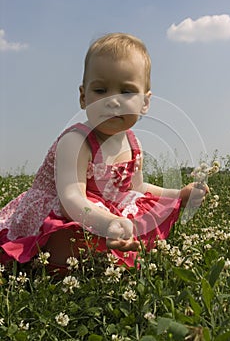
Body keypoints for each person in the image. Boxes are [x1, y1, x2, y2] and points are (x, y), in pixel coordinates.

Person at [0, 32, 208, 271]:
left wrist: (177, 194)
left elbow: (136, 188)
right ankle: (62, 263)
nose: (112, 101)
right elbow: (71, 199)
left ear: (145, 103)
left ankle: (109, 254)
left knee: (143, 217)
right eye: (100, 90)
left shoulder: (132, 143)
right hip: (70, 213)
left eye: (127, 92)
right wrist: (107, 223)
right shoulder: (76, 140)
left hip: (106, 211)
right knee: (65, 237)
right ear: (82, 97)